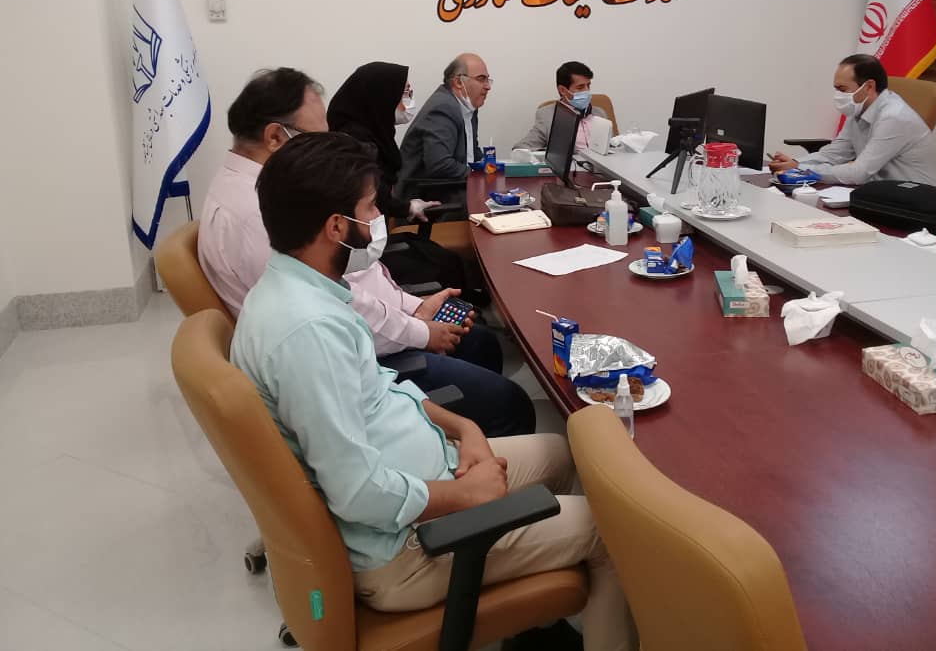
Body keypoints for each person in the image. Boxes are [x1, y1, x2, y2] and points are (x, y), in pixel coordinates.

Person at [232, 132, 637, 651]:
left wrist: (464, 429)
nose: (378, 218)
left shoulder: (300, 289)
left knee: (561, 451)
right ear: (336, 227)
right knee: (612, 529)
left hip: (425, 470)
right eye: (370, 208)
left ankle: (533, 618)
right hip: (405, 550)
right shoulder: (308, 333)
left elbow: (379, 386)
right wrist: (466, 494)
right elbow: (357, 493)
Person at [198, 68, 534, 437]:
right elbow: (337, 306)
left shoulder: (267, 189)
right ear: (276, 136)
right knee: (510, 403)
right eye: (317, 138)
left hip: (373, 327)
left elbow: (347, 281)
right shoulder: (259, 215)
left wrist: (412, 307)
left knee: (480, 342)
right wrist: (419, 330)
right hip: (360, 360)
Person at [328, 62, 469, 292]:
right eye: (404, 93)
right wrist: (406, 207)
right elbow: (375, 199)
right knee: (446, 263)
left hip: (377, 243)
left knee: (443, 257)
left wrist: (408, 206)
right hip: (364, 258)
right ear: (380, 96)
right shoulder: (357, 145)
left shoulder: (373, 131)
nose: (409, 101)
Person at [768, 54, 936, 187]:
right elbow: (836, 154)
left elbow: (858, 173)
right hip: (887, 194)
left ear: (868, 86)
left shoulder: (894, 117)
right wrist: (797, 163)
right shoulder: (858, 108)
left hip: (922, 202)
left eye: (842, 89)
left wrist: (803, 171)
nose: (838, 95)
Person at [396, 53, 492, 196]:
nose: (488, 86)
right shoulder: (443, 107)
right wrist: (477, 174)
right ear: (458, 82)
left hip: (454, 187)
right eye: (481, 79)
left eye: (488, 80)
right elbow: (439, 165)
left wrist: (488, 165)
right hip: (427, 196)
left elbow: (470, 152)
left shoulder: (468, 107)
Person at [513, 61, 611, 153]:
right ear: (563, 90)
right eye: (580, 87)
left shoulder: (600, 113)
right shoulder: (547, 115)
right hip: (573, 165)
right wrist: (550, 154)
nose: (587, 91)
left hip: (601, 165)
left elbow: (612, 148)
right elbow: (521, 148)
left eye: (588, 85)